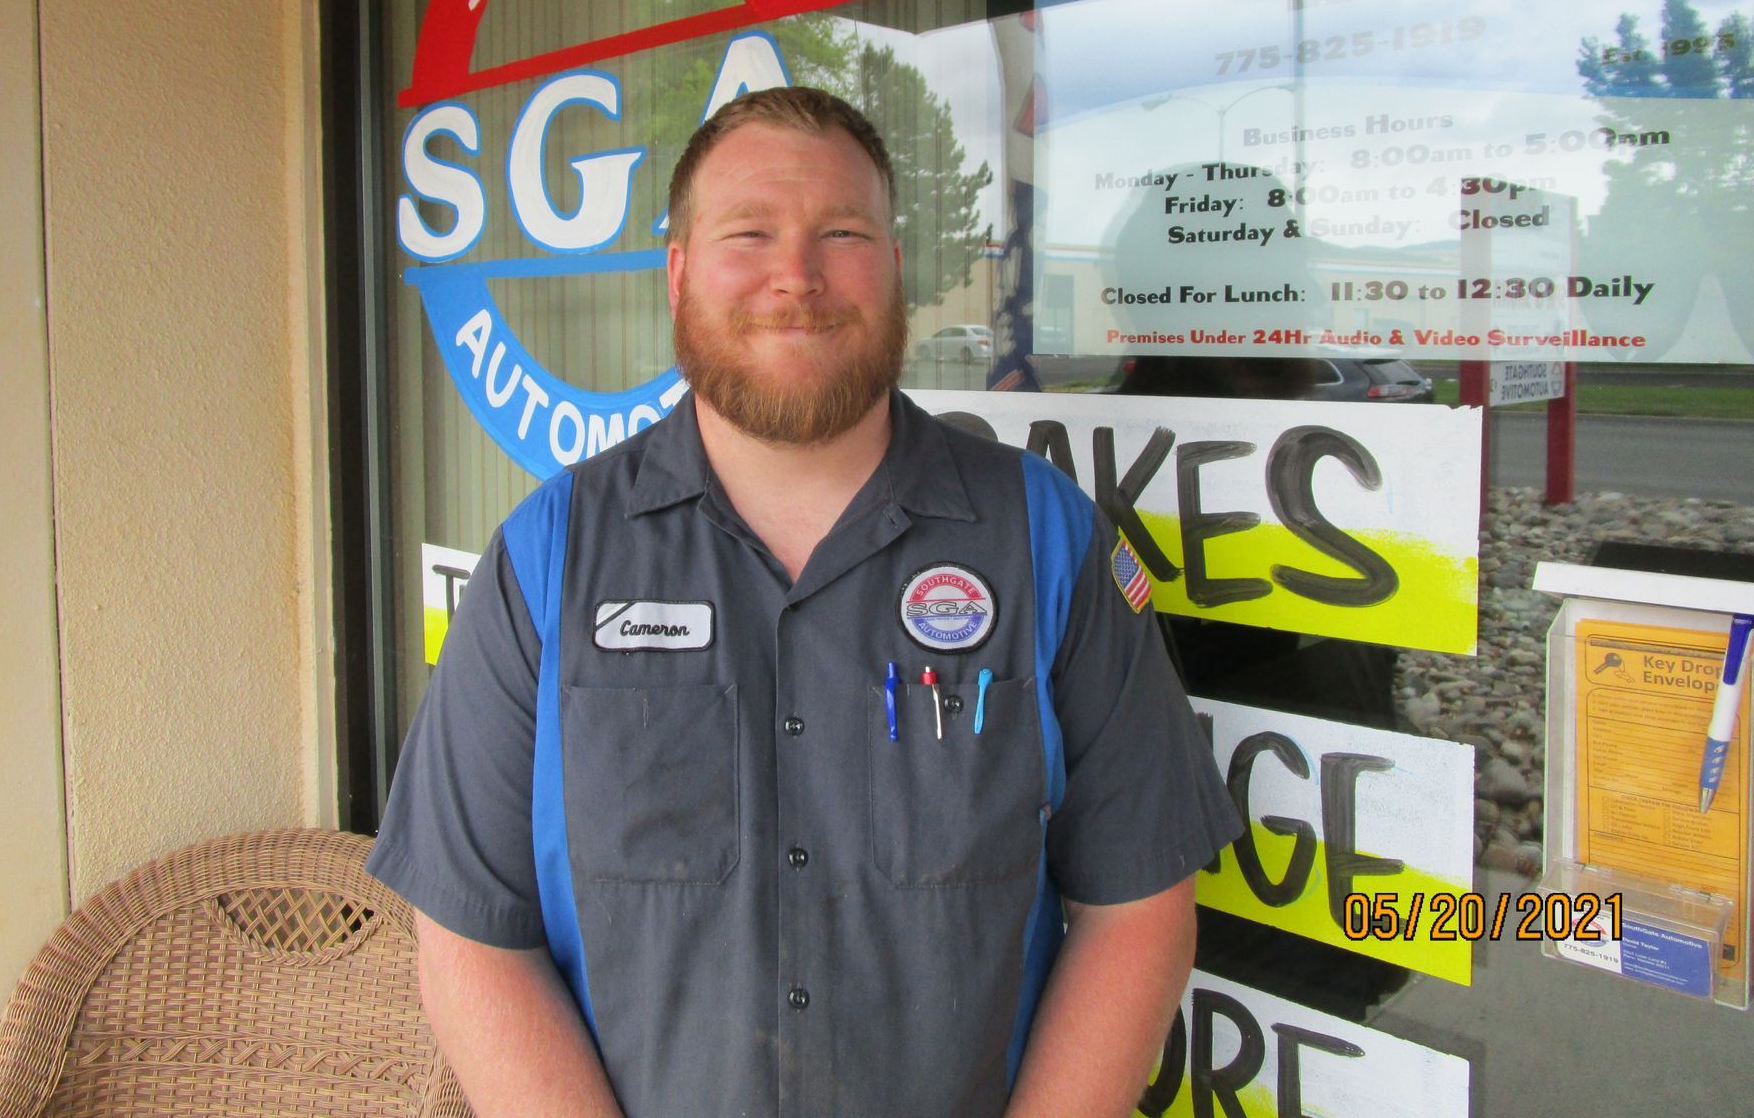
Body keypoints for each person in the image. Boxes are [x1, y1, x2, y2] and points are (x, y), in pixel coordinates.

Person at [367, 86, 1241, 1117]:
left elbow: (1136, 910)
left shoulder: (1047, 541)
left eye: (842, 231)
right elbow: (472, 937)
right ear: (680, 273)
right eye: (750, 233)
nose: (798, 275)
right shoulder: (547, 559)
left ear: (895, 268)